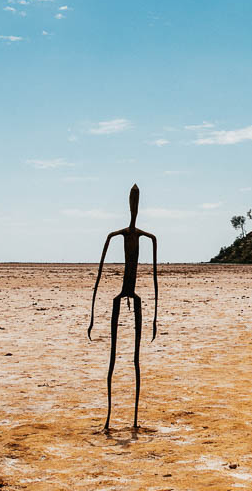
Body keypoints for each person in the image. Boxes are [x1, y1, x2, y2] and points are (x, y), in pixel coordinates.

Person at [87, 184, 159, 432]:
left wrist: (154, 319)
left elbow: (155, 278)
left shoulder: (147, 236)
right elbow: (98, 275)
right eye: (133, 200)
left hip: (135, 296)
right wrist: (93, 317)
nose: (134, 207)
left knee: (135, 359)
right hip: (120, 297)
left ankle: (135, 419)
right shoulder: (115, 235)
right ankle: (109, 417)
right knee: (113, 360)